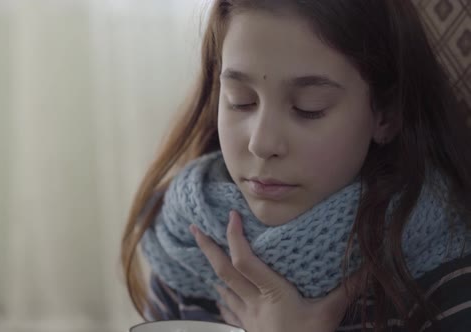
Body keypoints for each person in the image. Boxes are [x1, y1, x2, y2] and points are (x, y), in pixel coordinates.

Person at [121, 1, 471, 331]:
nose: (262, 143)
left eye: (309, 107)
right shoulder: (185, 247)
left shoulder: (444, 274)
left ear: (386, 114)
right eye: (240, 102)